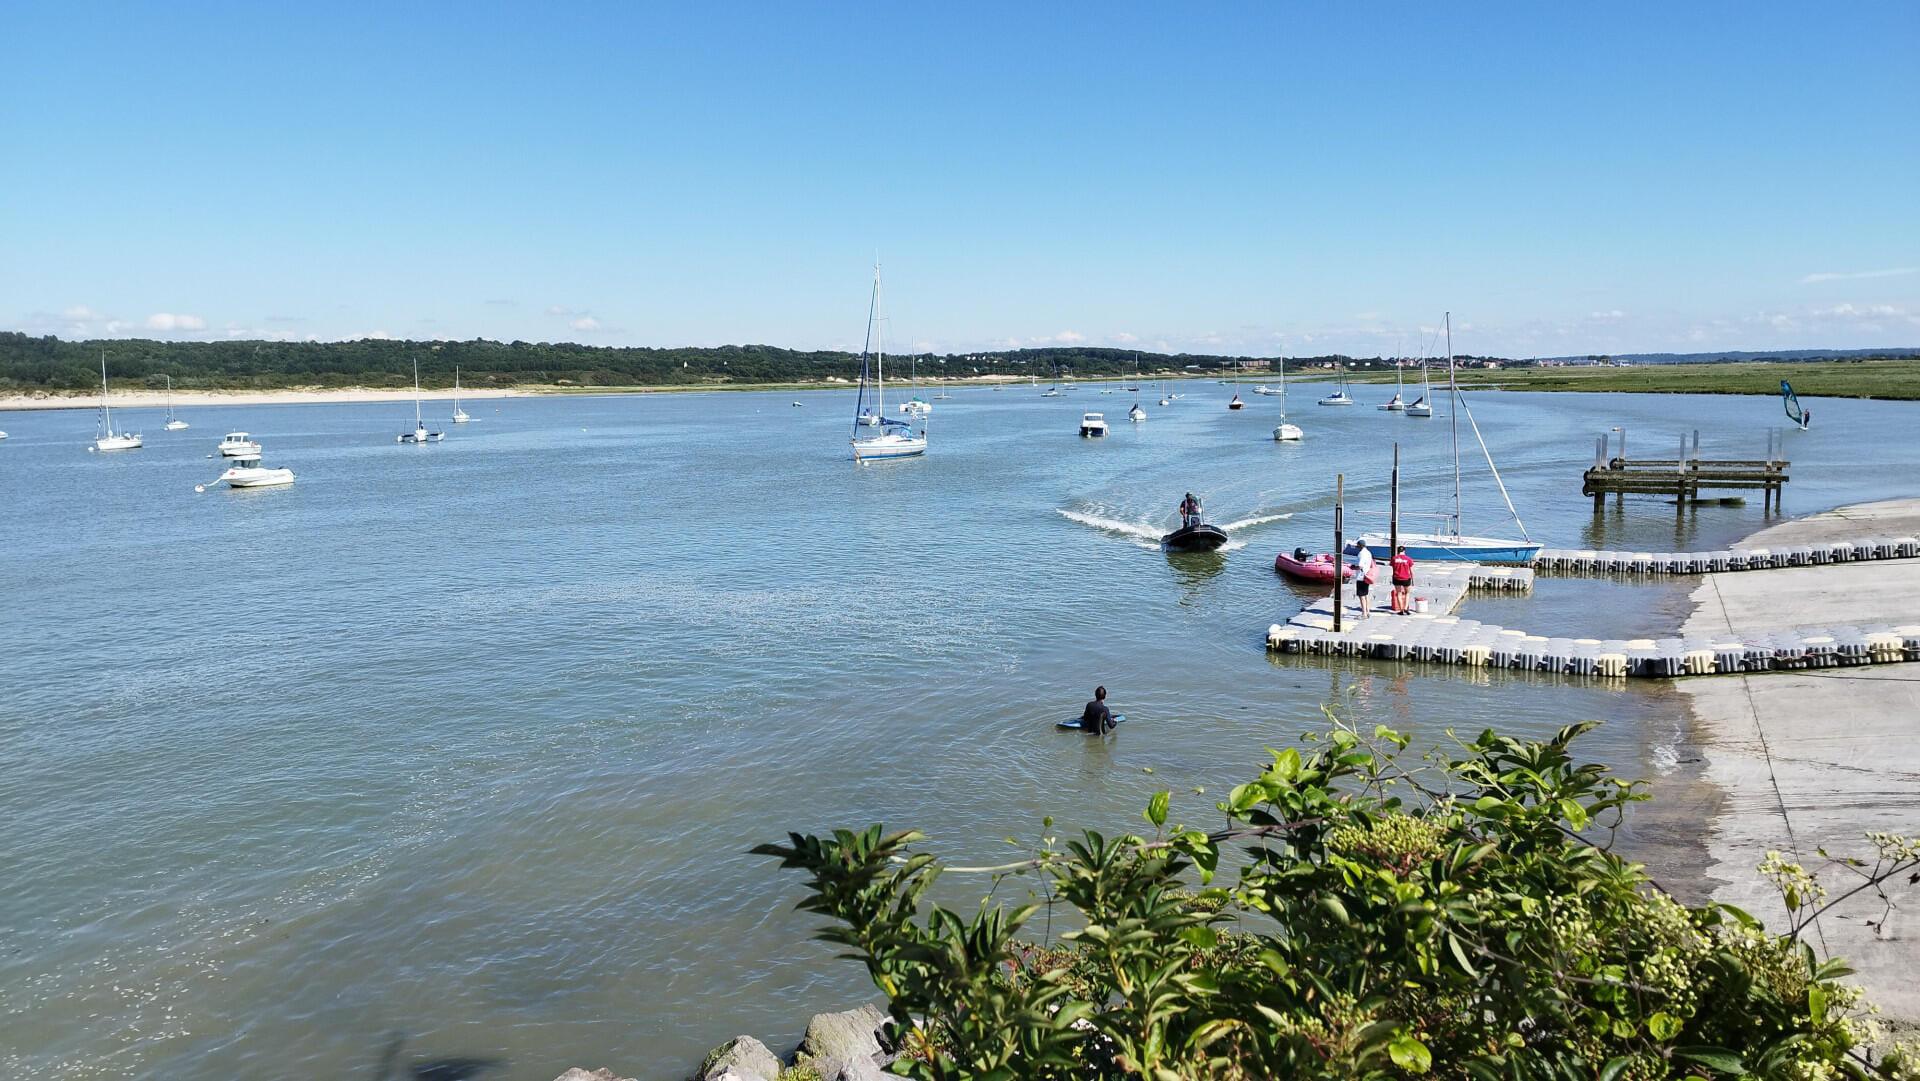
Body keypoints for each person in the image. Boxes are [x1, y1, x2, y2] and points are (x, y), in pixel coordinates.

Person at [1345, 542, 1375, 619]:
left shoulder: (1361, 554)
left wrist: (1353, 568)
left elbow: (1360, 566)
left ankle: (1364, 613)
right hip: (1367, 575)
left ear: (1360, 546)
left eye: (1357, 546)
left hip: (1361, 577)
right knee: (1366, 595)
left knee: (1361, 596)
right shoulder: (1368, 552)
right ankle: (1368, 611)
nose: (1356, 547)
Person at [1391, 545, 1415, 614]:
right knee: (1407, 593)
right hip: (1406, 578)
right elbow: (1411, 571)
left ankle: (1401, 610)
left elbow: (1393, 568)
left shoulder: (1394, 559)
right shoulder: (1408, 559)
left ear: (1398, 551)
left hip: (1396, 577)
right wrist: (1413, 580)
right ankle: (1406, 608)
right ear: (1404, 551)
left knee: (1399, 593)